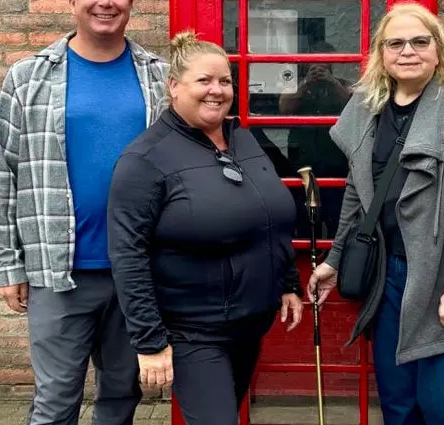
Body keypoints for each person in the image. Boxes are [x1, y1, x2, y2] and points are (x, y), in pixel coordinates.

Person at [307, 2, 444, 425]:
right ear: (381, 53)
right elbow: (357, 191)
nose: (408, 51)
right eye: (395, 43)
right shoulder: (369, 104)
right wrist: (334, 259)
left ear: (438, 48)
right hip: (387, 276)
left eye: (420, 41)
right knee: (398, 404)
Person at [0, 0, 168, 424]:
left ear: (131, 2)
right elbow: (3, 171)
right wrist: (7, 264)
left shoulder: (160, 76)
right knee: (55, 400)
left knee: (121, 397)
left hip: (138, 269)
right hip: (56, 271)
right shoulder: (29, 76)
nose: (105, 3)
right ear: (72, 1)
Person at [107, 31, 304, 425]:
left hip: (249, 324)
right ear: (175, 87)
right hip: (192, 330)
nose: (216, 91)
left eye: (225, 81)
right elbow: (128, 255)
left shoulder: (245, 140)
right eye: (204, 81)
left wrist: (287, 283)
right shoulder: (146, 159)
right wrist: (150, 343)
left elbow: (269, 220)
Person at [279, 40, 353, 238]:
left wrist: (331, 81)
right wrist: (305, 83)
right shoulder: (298, 85)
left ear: (332, 64)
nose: (319, 67)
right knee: (304, 217)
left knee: (336, 216)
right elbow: (284, 109)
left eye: (324, 62)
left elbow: (352, 106)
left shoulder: (341, 84)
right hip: (302, 160)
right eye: (315, 62)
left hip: (335, 161)